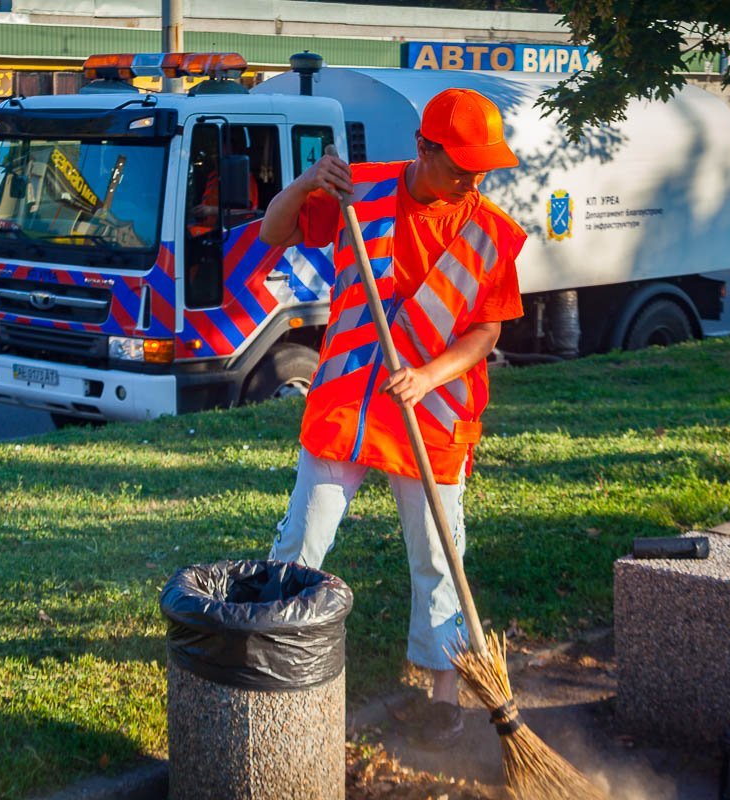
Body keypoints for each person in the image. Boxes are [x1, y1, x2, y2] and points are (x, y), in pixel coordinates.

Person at [258, 88, 526, 749]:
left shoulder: (488, 231)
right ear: (423, 149)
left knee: (438, 556)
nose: (472, 178)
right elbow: (273, 230)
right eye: (460, 163)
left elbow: (486, 333)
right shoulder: (360, 192)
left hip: (433, 412)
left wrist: (429, 375)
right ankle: (268, 663)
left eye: (480, 166)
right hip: (348, 403)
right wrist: (308, 181)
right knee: (303, 538)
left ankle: (442, 691)